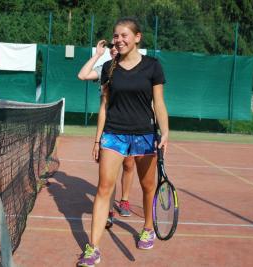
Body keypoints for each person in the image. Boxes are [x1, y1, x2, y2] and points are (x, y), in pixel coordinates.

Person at [77, 17, 169, 266]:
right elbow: (105, 106)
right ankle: (93, 248)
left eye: (124, 35)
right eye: (116, 35)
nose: (119, 39)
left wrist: (166, 132)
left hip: (145, 135)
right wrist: (98, 140)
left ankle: (148, 227)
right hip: (114, 135)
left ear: (137, 37)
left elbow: (158, 103)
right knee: (104, 188)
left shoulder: (153, 66)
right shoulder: (109, 68)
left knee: (148, 186)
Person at [78, 39, 136, 229]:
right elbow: (82, 75)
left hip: (131, 124)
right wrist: (97, 54)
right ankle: (109, 211)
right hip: (110, 126)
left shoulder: (134, 68)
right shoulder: (104, 67)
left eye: (115, 45)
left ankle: (124, 200)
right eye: (110, 46)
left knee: (128, 164)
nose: (113, 48)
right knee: (108, 173)